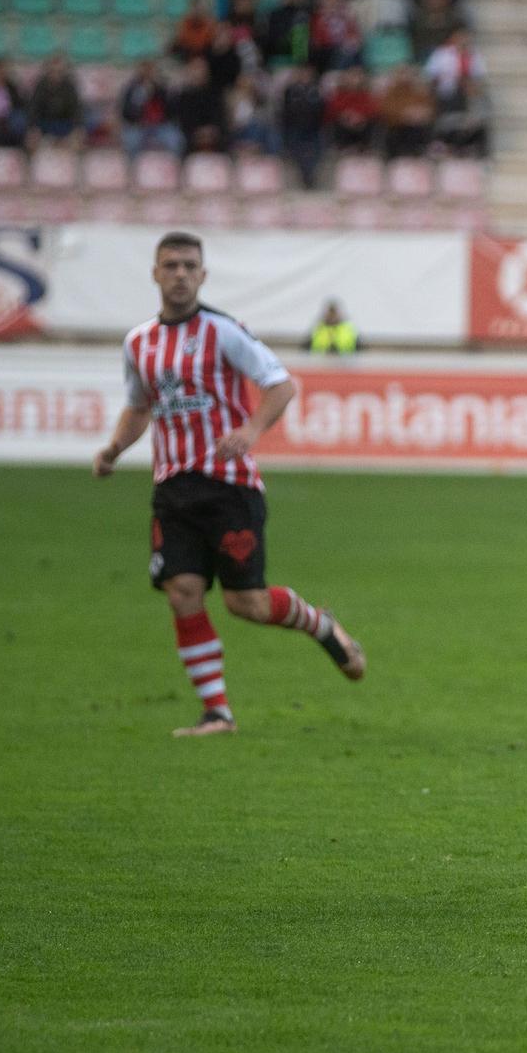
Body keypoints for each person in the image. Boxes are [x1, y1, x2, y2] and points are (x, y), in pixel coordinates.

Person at [92, 232, 367, 738]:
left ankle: (322, 626)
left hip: (228, 487)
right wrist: (113, 450)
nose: (179, 273)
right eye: (170, 264)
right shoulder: (139, 343)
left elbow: (281, 384)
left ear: (203, 275)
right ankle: (217, 712)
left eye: (189, 265)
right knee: (183, 592)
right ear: (155, 273)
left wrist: (250, 430)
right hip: (172, 488)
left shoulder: (223, 332)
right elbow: (139, 407)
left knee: (248, 604)